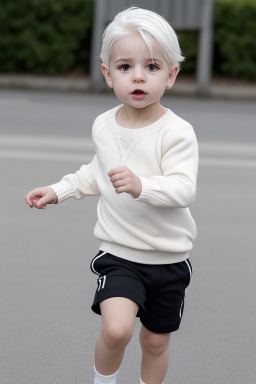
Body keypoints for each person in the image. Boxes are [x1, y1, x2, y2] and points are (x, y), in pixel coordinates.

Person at [25, 7, 198, 384]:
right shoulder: (104, 125)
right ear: (107, 74)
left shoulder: (177, 132)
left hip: (169, 259)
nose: (138, 76)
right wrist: (59, 190)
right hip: (119, 253)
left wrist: (142, 186)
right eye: (125, 67)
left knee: (154, 341)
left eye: (152, 67)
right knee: (117, 329)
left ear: (171, 75)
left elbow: (184, 188)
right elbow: (96, 172)